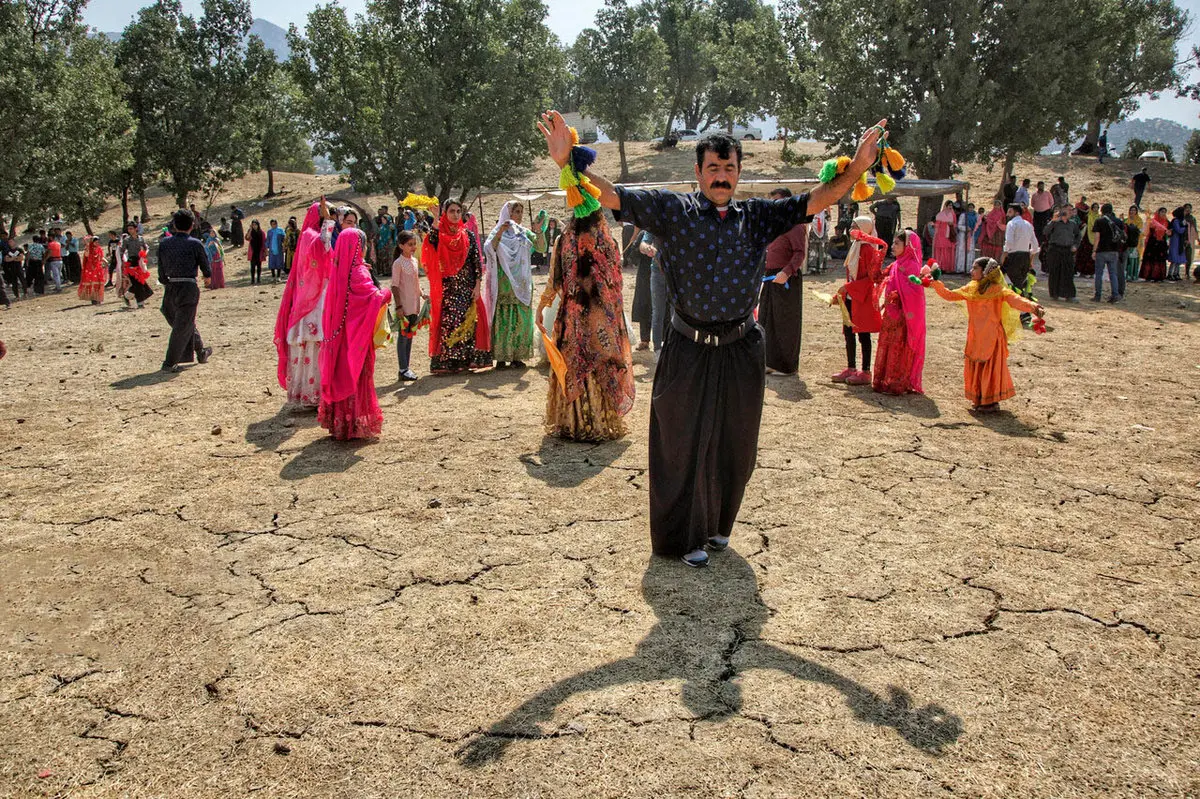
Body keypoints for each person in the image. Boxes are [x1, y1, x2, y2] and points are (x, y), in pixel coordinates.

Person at [538, 109, 886, 567]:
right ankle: (682, 538)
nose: (721, 177)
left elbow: (815, 200)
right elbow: (615, 196)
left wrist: (858, 169)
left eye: (729, 168)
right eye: (713, 169)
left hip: (742, 348)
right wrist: (570, 163)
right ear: (698, 172)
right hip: (687, 347)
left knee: (735, 446)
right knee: (680, 444)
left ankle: (719, 526)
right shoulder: (673, 211)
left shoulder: (758, 217)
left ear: (739, 172)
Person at [535, 210, 635, 442]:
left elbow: (554, 280)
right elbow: (616, 285)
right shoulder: (606, 241)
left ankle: (576, 422)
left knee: (576, 366)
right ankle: (601, 421)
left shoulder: (565, 240)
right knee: (598, 365)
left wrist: (541, 307)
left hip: (574, 318)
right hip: (599, 320)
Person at [930, 257, 1046, 413]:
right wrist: (935, 282)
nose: (971, 271)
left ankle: (990, 402)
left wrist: (1034, 307)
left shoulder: (998, 290)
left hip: (992, 336)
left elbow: (1016, 300)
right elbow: (950, 295)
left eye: (975, 268)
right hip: (976, 335)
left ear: (985, 272)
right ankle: (979, 398)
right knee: (978, 365)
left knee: (990, 369)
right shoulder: (971, 288)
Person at [317, 228, 391, 440]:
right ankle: (354, 424)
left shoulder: (338, 270)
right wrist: (386, 292)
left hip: (339, 337)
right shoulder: (358, 272)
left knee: (342, 374)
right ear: (360, 246)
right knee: (357, 376)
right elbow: (374, 299)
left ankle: (340, 423)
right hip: (356, 337)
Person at [274, 201, 334, 408]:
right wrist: (328, 223)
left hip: (319, 296)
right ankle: (308, 395)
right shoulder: (309, 235)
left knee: (317, 347)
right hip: (311, 301)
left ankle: (315, 393)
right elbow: (322, 250)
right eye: (327, 213)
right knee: (311, 345)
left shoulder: (311, 236)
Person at [422, 200, 492, 374]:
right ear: (445, 213)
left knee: (467, 323)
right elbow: (431, 242)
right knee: (449, 323)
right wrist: (436, 219)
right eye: (451, 211)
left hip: (467, 287)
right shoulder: (439, 233)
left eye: (458, 211)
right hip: (448, 289)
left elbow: (476, 262)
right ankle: (449, 361)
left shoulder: (467, 235)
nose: (455, 214)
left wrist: (477, 286)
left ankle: (466, 360)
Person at [759, 187, 808, 375]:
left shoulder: (795, 224)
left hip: (786, 279)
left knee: (784, 322)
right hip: (771, 276)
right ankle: (770, 361)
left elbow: (799, 253)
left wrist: (786, 272)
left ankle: (786, 366)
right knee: (767, 318)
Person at [831, 216, 885, 385]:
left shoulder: (868, 250)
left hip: (862, 297)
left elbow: (871, 279)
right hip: (851, 296)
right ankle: (851, 367)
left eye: (855, 227)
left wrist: (849, 288)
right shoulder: (855, 247)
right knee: (848, 332)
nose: (851, 230)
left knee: (863, 334)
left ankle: (866, 371)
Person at [872, 230, 926, 396]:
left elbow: (915, 293)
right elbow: (877, 278)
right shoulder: (895, 264)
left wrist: (898, 297)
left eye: (897, 244)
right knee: (887, 345)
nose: (893, 247)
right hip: (890, 314)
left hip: (903, 316)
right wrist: (878, 255)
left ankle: (896, 383)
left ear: (908, 246)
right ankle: (883, 380)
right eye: (893, 243)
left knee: (898, 347)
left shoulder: (912, 266)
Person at [158, 210, 212, 373]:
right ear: (192, 225)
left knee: (182, 322)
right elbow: (206, 268)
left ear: (174, 225)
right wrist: (207, 278)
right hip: (188, 287)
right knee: (183, 324)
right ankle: (170, 363)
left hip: (171, 287)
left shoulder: (164, 243)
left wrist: (167, 282)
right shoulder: (195, 244)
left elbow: (161, 272)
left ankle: (201, 352)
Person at [484, 201, 536, 368]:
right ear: (508, 214)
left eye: (521, 212)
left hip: (521, 282)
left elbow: (540, 247)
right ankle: (500, 357)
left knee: (519, 319)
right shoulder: (497, 232)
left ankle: (516, 357)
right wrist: (501, 231)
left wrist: (540, 231)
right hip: (504, 282)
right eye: (516, 212)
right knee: (504, 318)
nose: (519, 215)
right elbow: (489, 248)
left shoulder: (523, 233)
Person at [391, 230, 423, 381]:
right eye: (410, 244)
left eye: (414, 244)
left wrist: (422, 294)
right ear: (401, 246)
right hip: (404, 305)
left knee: (410, 336)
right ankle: (403, 368)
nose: (413, 247)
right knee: (403, 337)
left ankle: (406, 367)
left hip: (414, 304)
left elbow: (416, 282)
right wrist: (398, 306)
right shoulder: (398, 264)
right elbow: (395, 286)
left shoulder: (414, 261)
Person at [1001, 203, 1038, 324]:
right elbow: (1035, 245)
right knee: (1018, 284)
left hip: (1014, 256)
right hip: (1025, 257)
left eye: (1010, 211)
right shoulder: (1028, 225)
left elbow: (1009, 242)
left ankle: (1023, 312)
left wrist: (1005, 254)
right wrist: (1031, 258)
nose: (1007, 214)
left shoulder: (1012, 224)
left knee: (1011, 284)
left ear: (1016, 212)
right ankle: (1020, 311)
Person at [1043, 206, 1081, 302]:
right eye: (1068, 210)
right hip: (1055, 249)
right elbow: (1045, 231)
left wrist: (1075, 246)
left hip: (1067, 250)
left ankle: (1069, 295)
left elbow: (1078, 236)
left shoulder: (1073, 224)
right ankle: (1054, 294)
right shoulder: (1055, 222)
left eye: (1071, 210)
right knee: (1054, 272)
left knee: (1068, 272)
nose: (1070, 212)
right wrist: (1053, 221)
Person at [629, 221, 655, 352]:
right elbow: (633, 255)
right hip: (645, 277)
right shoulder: (644, 235)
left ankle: (662, 340)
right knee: (645, 306)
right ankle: (644, 340)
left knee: (663, 308)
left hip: (663, 276)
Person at [1091, 203, 1124, 302]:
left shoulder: (1099, 221)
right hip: (1114, 250)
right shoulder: (1118, 221)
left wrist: (1094, 250)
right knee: (1113, 274)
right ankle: (1115, 294)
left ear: (1102, 211)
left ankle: (1098, 295)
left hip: (1101, 250)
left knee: (1099, 274)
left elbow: (1097, 237)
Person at [118, 222, 152, 309]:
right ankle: (140, 303)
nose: (130, 231)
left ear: (135, 229)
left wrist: (144, 255)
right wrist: (123, 262)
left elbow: (146, 247)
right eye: (128, 229)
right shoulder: (127, 240)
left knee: (139, 282)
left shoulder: (141, 239)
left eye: (131, 229)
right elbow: (122, 251)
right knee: (137, 283)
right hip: (131, 263)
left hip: (139, 263)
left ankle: (126, 296)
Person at [1140, 208, 1170, 282]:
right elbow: (1147, 231)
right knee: (1151, 258)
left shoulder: (1166, 222)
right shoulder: (1152, 221)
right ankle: (1149, 275)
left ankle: (1159, 276)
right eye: (1162, 212)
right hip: (1152, 243)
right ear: (1158, 212)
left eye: (1165, 212)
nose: (1163, 213)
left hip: (1161, 243)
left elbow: (1169, 232)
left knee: (1160, 259)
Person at [77, 235, 106, 305]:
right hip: (90, 269)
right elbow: (87, 256)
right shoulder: (89, 249)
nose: (97, 243)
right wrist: (87, 248)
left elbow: (101, 257)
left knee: (98, 283)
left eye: (98, 242)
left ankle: (98, 298)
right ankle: (93, 299)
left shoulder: (99, 249)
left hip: (98, 269)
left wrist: (106, 262)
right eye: (95, 242)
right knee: (92, 283)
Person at [933, 201, 957, 272]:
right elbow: (937, 225)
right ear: (945, 206)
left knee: (948, 251)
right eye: (949, 205)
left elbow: (955, 224)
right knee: (941, 250)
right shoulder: (940, 215)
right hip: (941, 235)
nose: (950, 207)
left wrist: (951, 224)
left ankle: (947, 268)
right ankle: (940, 267)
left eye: (951, 206)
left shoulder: (953, 214)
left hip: (949, 235)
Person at [1123, 206, 1143, 283]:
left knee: (1133, 258)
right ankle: (1126, 274)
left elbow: (1139, 231)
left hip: (1135, 242)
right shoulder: (1126, 220)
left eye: (1134, 210)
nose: (1132, 212)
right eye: (1131, 210)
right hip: (1127, 242)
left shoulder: (1139, 220)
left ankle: (1132, 275)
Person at [1167, 207, 1188, 282]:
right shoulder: (1176, 221)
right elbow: (1179, 230)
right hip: (1175, 241)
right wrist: (1184, 228)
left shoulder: (1181, 220)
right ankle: (1170, 274)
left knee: (1178, 259)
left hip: (1180, 241)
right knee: (1174, 258)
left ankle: (1176, 273)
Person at [1031, 181, 1054, 246]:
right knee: (1037, 227)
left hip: (1045, 213)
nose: (1042, 187)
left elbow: (1051, 202)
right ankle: (1037, 242)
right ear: (1037, 186)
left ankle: (1044, 242)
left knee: (1044, 227)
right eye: (1040, 186)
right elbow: (1032, 204)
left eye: (1042, 186)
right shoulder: (1034, 195)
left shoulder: (1047, 194)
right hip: (1037, 214)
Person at [2, 238, 24, 304]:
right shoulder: (7, 251)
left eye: (11, 242)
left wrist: (13, 259)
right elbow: (6, 259)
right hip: (11, 268)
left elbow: (21, 258)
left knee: (22, 280)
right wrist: (13, 258)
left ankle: (25, 293)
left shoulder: (19, 249)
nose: (10, 243)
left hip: (18, 267)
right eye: (9, 242)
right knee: (14, 282)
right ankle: (16, 295)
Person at [247, 220, 266, 284]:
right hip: (253, 251)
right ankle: (252, 279)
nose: (254, 226)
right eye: (253, 225)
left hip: (259, 251)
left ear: (258, 225)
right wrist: (250, 230)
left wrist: (265, 251)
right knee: (252, 266)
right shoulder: (251, 232)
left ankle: (258, 279)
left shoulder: (261, 232)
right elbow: (247, 238)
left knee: (259, 266)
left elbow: (264, 242)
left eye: (255, 225)